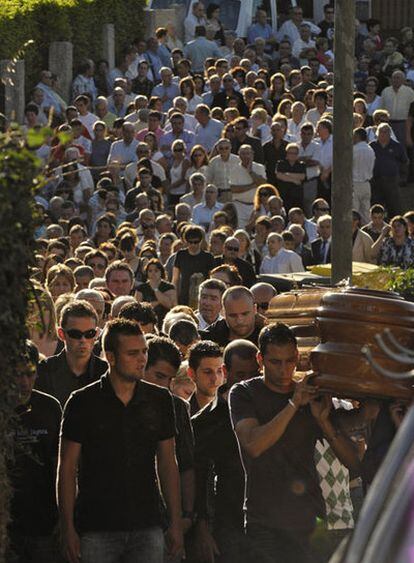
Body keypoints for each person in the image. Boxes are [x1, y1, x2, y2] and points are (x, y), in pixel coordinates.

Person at [229, 323, 359, 563]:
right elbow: (254, 445)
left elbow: (354, 461)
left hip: (310, 519)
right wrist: (293, 405)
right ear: (261, 359)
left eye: (290, 361)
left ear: (298, 357)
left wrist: (324, 422)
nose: (283, 369)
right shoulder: (244, 393)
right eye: (275, 362)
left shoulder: (311, 394)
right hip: (264, 521)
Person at [58, 319, 183, 563]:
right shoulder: (82, 402)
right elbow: (67, 469)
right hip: (96, 526)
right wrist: (67, 529)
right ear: (111, 357)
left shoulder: (160, 400)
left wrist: (176, 522)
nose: (142, 359)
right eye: (133, 353)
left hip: (147, 522)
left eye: (144, 351)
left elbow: (168, 463)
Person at [192, 340, 261, 563]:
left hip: (269, 520)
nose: (248, 382)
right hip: (228, 523)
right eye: (241, 375)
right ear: (225, 371)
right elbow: (198, 477)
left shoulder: (272, 412)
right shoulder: (206, 422)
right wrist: (202, 529)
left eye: (253, 374)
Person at [8, 341, 62, 563]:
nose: (24, 382)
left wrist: (64, 517)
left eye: (30, 374)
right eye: (18, 375)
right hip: (8, 522)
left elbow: (61, 464)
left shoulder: (49, 408)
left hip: (44, 521)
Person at [143, 336, 196, 535]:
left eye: (170, 379)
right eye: (158, 376)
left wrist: (187, 515)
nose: (164, 385)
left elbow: (186, 463)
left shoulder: (177, 407)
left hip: (166, 516)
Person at [36, 300, 107, 407]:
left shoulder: (107, 373)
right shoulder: (43, 371)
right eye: (75, 334)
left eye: (89, 334)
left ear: (96, 334)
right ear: (61, 334)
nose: (83, 340)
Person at [200, 286, 264, 347]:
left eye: (245, 314)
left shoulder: (267, 337)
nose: (239, 320)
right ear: (223, 313)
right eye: (233, 316)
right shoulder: (209, 338)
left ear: (255, 309)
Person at [370, 123, 408, 217]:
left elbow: (405, 162)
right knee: (376, 205)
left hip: (391, 180)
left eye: (385, 132)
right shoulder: (372, 145)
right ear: (377, 133)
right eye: (381, 132)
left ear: (389, 133)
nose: (383, 134)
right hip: (376, 181)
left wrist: (403, 177)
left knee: (394, 206)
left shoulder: (397, 146)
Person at [172, 225, 215, 307]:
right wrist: (175, 300)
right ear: (186, 241)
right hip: (184, 297)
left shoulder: (208, 257)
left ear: (201, 241)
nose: (193, 245)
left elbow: (212, 279)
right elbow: (175, 279)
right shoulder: (181, 255)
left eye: (196, 242)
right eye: (190, 242)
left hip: (203, 297)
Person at [229, 144, 266, 229]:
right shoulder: (234, 169)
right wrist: (253, 185)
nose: (245, 156)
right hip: (239, 206)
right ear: (239, 155)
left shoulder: (259, 167)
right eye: (243, 153)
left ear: (252, 154)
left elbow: (263, 184)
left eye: (248, 153)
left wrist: (250, 172)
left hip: (257, 206)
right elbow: (234, 189)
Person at [187, 340, 224, 415]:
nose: (215, 378)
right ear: (192, 374)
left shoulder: (233, 411)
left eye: (220, 371)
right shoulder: (181, 414)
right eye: (208, 372)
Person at [352, 127, 376, 225]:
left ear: (357, 137)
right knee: (366, 213)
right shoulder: (371, 150)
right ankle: (368, 233)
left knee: (354, 212)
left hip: (354, 184)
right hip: (366, 184)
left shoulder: (353, 150)